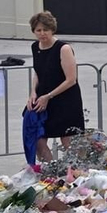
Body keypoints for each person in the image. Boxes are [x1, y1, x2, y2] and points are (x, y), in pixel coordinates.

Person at [27, 11, 84, 164]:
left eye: (46, 30)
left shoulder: (63, 48)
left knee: (68, 139)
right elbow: (38, 72)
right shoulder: (35, 47)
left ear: (52, 30)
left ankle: (77, 171)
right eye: (38, 30)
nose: (42, 33)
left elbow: (71, 79)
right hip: (43, 97)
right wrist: (33, 92)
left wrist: (49, 96)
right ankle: (51, 169)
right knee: (37, 137)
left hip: (65, 99)